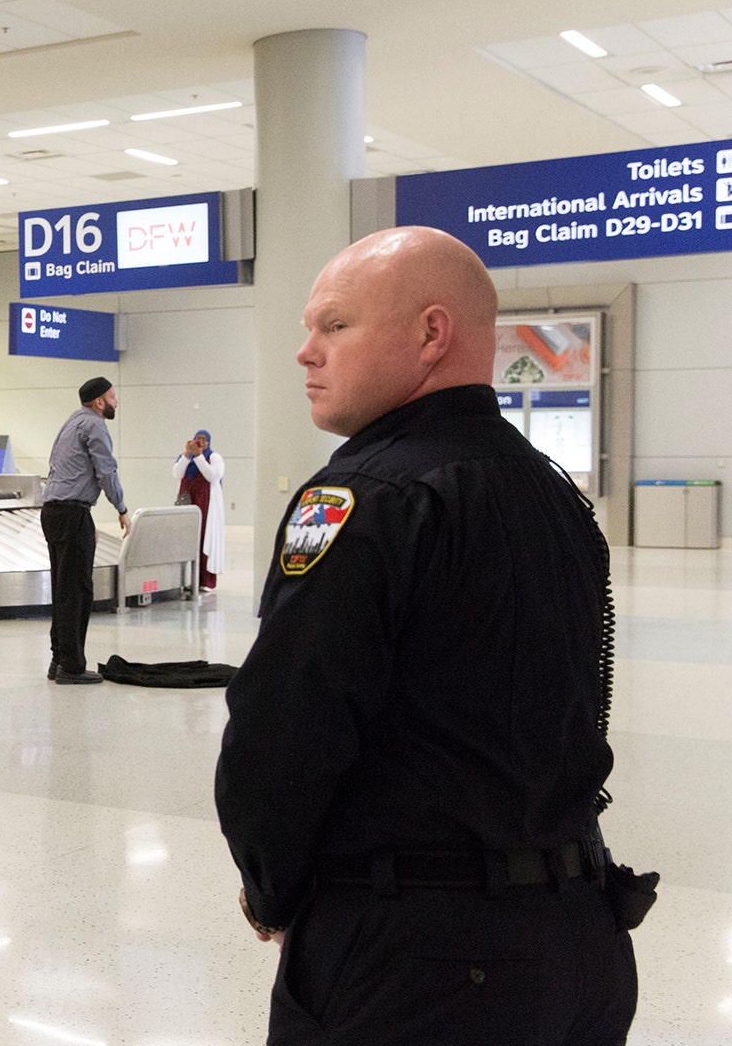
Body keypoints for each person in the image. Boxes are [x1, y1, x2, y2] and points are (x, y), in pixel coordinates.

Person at [214, 227, 641, 1045]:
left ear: (432, 334)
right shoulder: (553, 494)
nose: (306, 352)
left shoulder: (363, 497)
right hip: (581, 943)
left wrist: (269, 889)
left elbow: (285, 729)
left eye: (335, 326)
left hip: (422, 965)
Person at [41, 377, 129, 685]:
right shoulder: (94, 425)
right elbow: (106, 470)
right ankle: (72, 667)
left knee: (63, 589)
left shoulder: (71, 422)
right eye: (113, 397)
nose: (116, 402)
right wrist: (121, 507)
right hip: (72, 513)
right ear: (99, 402)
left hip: (52, 512)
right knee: (77, 591)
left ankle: (58, 660)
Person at [173, 430, 225, 592]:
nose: (200, 442)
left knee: (204, 539)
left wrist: (199, 457)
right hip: (188, 503)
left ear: (209, 443)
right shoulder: (186, 458)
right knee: (186, 539)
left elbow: (212, 476)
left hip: (206, 505)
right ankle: (186, 580)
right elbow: (177, 474)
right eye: (197, 439)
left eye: (204, 440)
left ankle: (205, 581)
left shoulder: (214, 458)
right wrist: (187, 456)